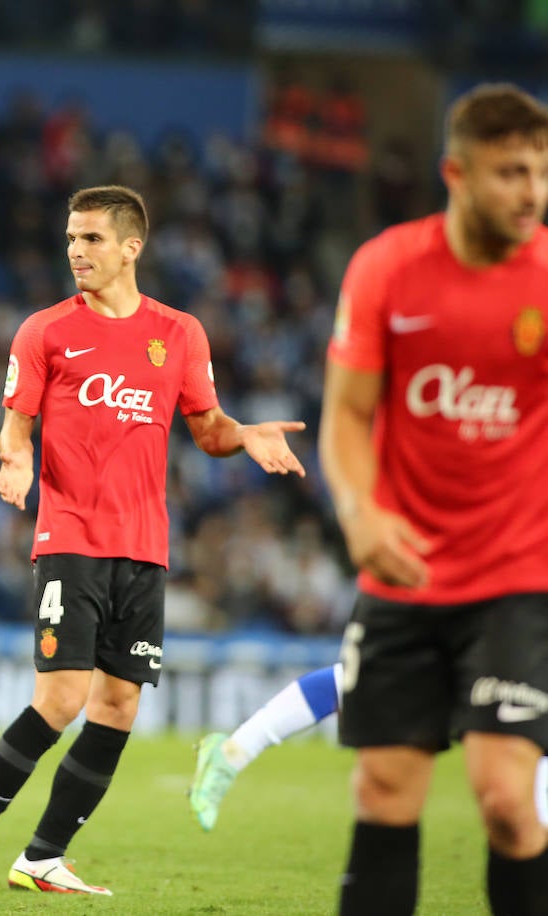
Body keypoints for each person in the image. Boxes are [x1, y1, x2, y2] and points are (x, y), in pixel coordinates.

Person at [0, 185, 306, 895]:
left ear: (132, 246)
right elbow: (17, 422)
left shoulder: (181, 333)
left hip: (144, 548)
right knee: (63, 696)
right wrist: (15, 461)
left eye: (93, 239)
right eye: (72, 238)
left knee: (119, 706)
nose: (77, 251)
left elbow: (207, 428)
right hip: (70, 534)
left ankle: (43, 856)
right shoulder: (44, 330)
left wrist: (247, 434)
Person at [321, 83, 548, 915]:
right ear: (456, 173)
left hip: (518, 578)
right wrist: (359, 509)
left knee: (504, 797)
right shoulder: (387, 268)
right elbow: (346, 414)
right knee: (383, 788)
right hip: (403, 572)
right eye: (510, 173)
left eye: (540, 172)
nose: (532, 193)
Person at [189, 663, 548, 833]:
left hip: (505, 588)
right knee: (367, 679)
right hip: (463, 582)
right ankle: (234, 752)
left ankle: (233, 752)